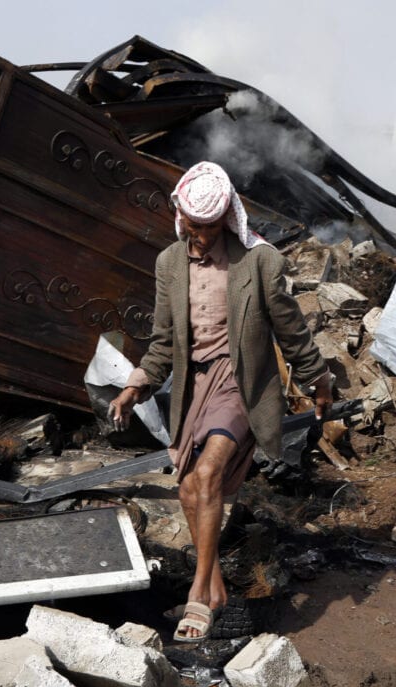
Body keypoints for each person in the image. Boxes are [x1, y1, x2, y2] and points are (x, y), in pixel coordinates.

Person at [109, 161, 332, 643]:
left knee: (207, 474)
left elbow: (290, 329)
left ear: (228, 217)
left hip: (241, 383)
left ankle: (197, 592)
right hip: (193, 389)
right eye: (194, 225)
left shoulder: (259, 261)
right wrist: (135, 385)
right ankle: (215, 588)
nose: (202, 235)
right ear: (180, 217)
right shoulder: (169, 263)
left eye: (211, 226)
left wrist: (318, 378)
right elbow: (165, 342)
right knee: (189, 490)